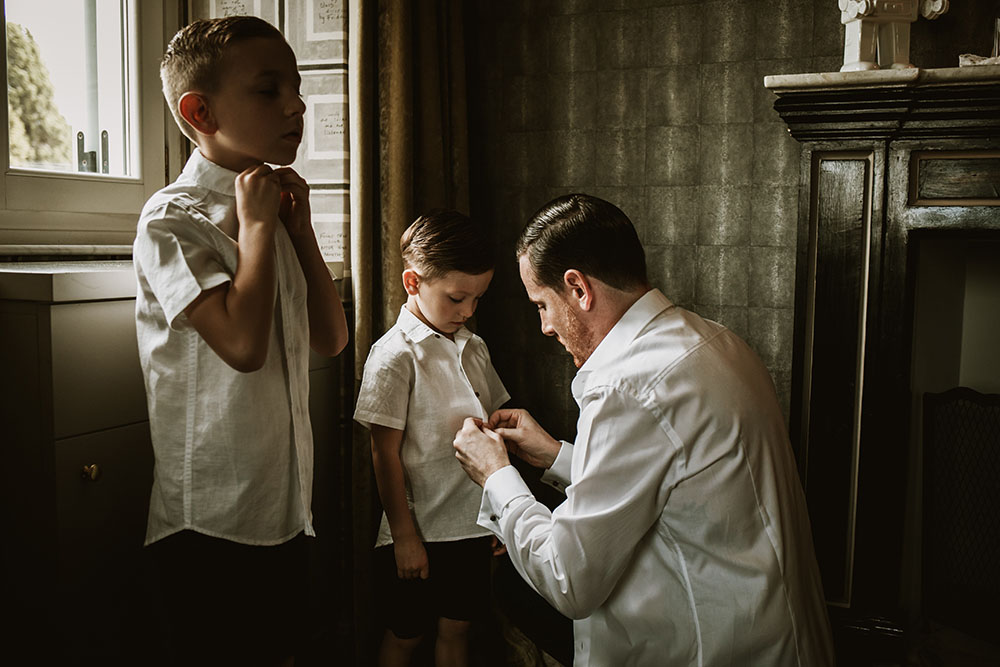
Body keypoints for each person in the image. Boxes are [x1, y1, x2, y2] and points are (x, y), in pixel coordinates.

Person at [453, 194, 835, 666]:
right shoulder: (716, 340)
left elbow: (570, 580)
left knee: (513, 585)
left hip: (711, 648)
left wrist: (496, 477)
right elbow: (682, 483)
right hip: (777, 635)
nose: (545, 327)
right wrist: (555, 455)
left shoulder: (625, 387)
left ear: (578, 289)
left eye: (542, 305)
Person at [132, 16, 348, 666]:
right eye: (268, 88)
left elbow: (332, 339)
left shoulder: (271, 211)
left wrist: (299, 230)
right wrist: (256, 228)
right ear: (200, 111)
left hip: (281, 503)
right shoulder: (173, 220)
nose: (297, 103)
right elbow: (244, 347)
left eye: (297, 86)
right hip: (210, 516)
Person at [354, 210, 510, 667]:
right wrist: (404, 535)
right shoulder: (394, 355)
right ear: (412, 282)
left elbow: (494, 426)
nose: (466, 311)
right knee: (406, 634)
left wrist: (502, 509)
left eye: (477, 299)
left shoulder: (474, 346)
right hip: (418, 528)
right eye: (457, 298)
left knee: (457, 630)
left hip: (471, 524)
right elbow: (383, 453)